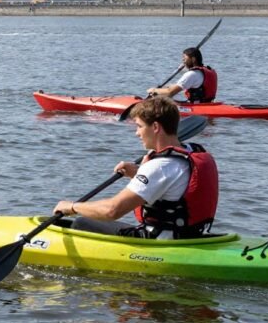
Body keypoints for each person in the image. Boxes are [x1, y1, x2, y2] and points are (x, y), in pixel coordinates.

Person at [52, 96, 219, 239]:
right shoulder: (189, 152)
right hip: (189, 236)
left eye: (139, 126)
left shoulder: (159, 166)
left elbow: (112, 211)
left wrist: (72, 207)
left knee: (81, 222)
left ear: (155, 127)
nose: (137, 133)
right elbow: (171, 187)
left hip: (159, 242)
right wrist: (137, 173)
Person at [147, 47, 218, 103]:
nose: (183, 61)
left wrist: (154, 90)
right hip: (208, 103)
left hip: (197, 106)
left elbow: (170, 92)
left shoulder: (191, 74)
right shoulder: (207, 71)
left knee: (159, 97)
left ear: (193, 59)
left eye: (184, 58)